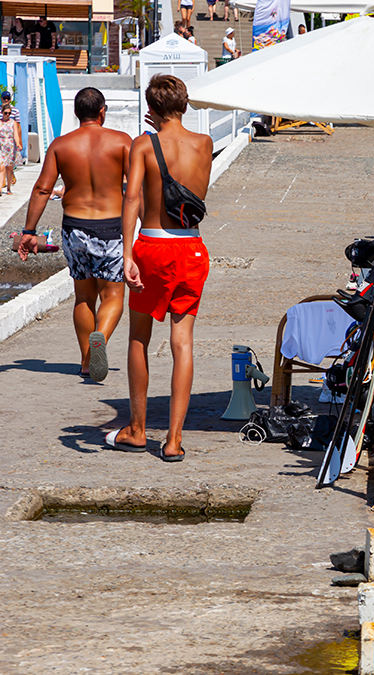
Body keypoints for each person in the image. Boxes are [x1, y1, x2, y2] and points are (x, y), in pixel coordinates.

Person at [112, 74, 214, 462]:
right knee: (182, 341)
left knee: (139, 336)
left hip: (152, 246)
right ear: (185, 106)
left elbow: (133, 199)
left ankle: (138, 429)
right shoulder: (204, 145)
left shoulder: (143, 144)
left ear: (151, 109)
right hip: (191, 248)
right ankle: (173, 440)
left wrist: (126, 255)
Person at [17, 88, 131, 382]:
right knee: (113, 294)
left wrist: (29, 232)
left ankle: (85, 361)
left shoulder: (61, 145)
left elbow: (43, 189)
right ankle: (100, 338)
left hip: (75, 228)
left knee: (83, 295)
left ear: (76, 113)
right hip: (111, 227)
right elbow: (136, 190)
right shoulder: (121, 142)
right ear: (102, 111)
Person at [0, 104, 21, 195]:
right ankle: (0, 188)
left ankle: (8, 188)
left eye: (9, 113)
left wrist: (18, 144)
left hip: (11, 148)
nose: (8, 115)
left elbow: (16, 135)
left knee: (9, 169)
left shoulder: (13, 123)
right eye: (6, 113)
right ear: (2, 113)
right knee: (1, 167)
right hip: (1, 147)